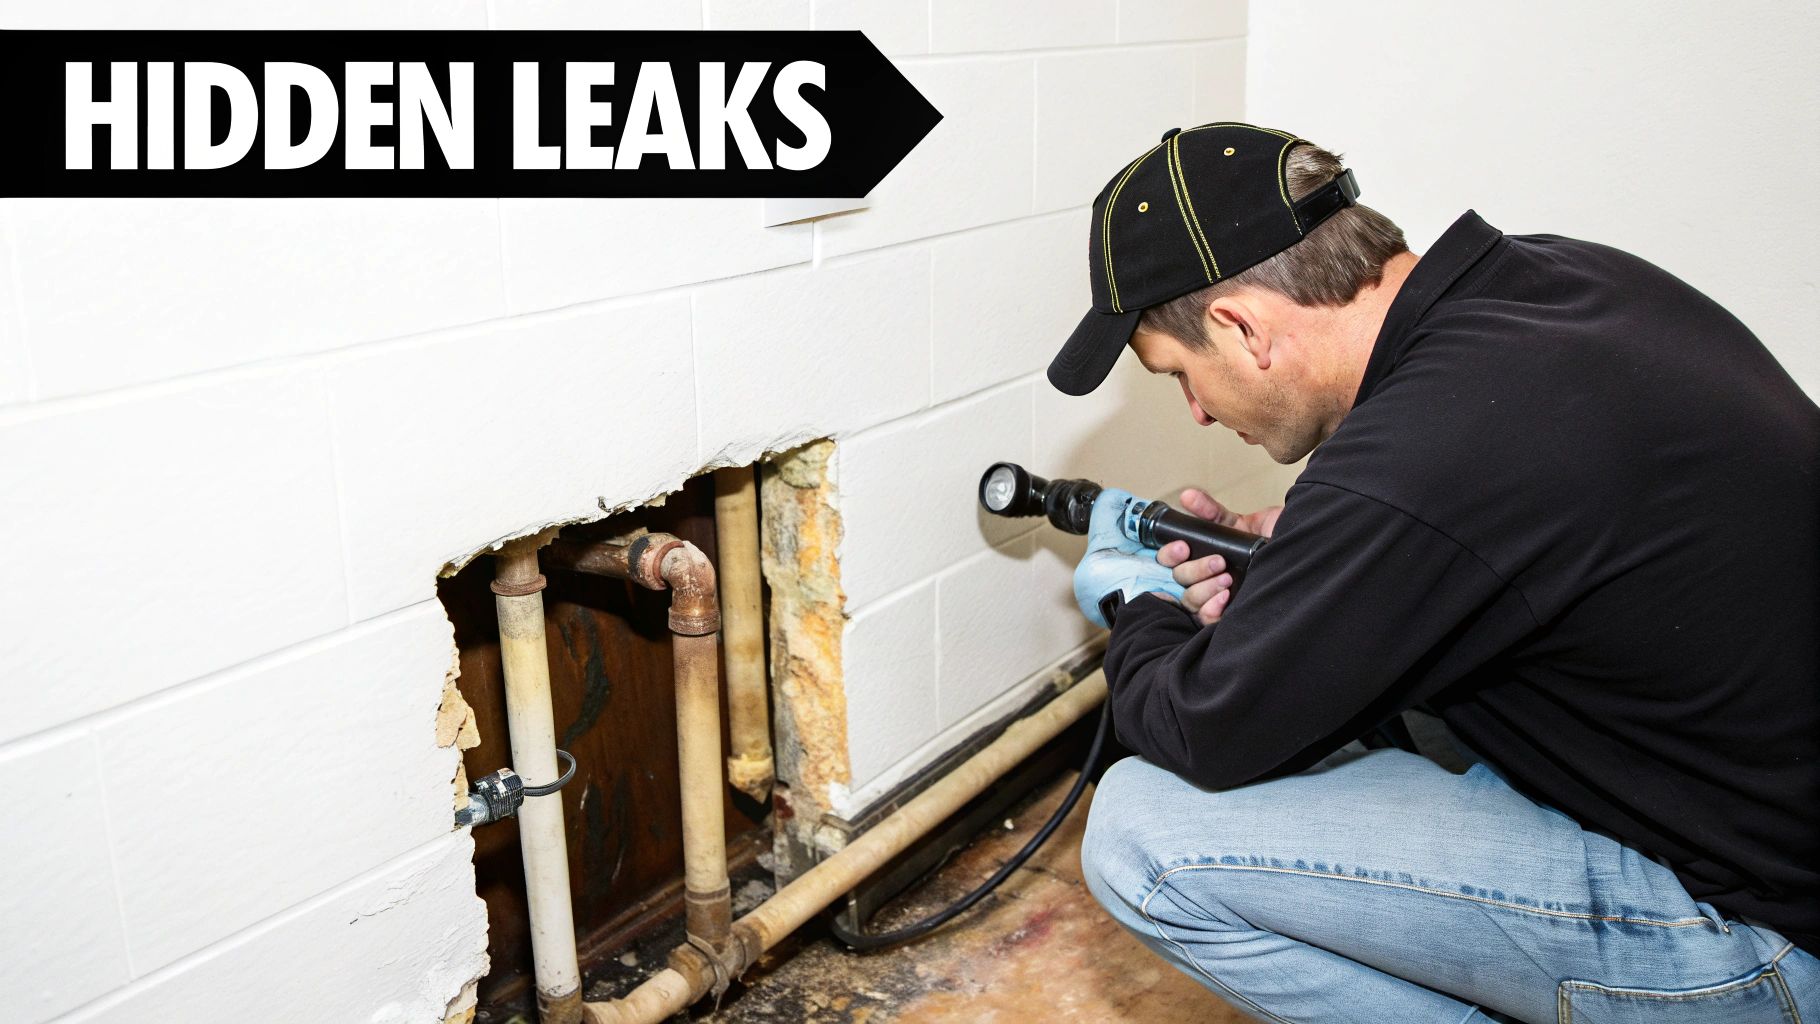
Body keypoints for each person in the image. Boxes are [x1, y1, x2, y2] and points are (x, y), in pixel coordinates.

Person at [1052, 122, 1819, 1023]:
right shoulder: (1555, 283)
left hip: (1763, 937)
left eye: (1180, 374)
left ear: (1243, 326)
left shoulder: (1422, 459)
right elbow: (1465, 526)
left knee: (1143, 833)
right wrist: (1306, 555)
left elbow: (1204, 731)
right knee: (1358, 698)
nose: (1197, 414)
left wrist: (1139, 609)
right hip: (1768, 811)